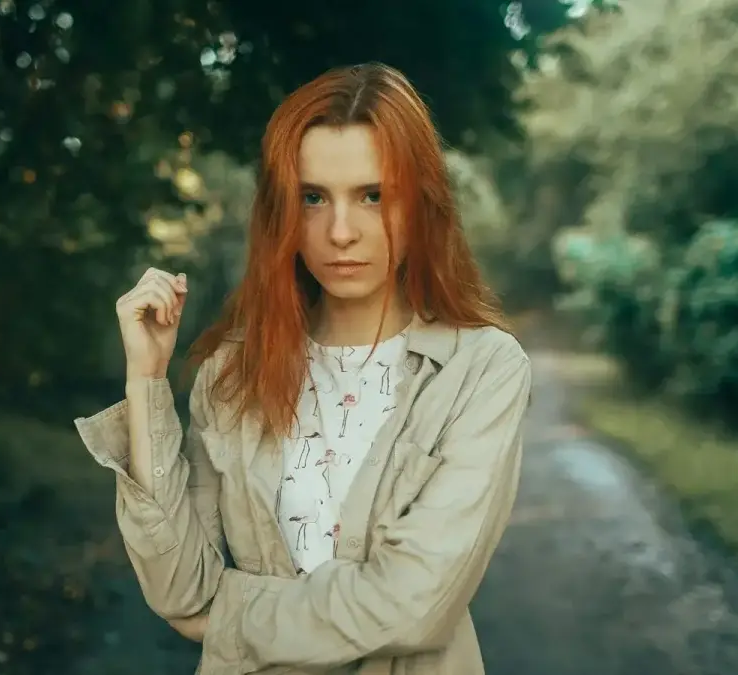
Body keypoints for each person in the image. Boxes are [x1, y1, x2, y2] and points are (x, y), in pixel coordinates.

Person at [75, 62, 533, 674]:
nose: (340, 231)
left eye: (374, 195)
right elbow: (180, 592)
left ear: (420, 203)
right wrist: (147, 381)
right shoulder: (231, 371)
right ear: (282, 214)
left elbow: (415, 606)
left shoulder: (480, 370)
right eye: (313, 198)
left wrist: (231, 618)